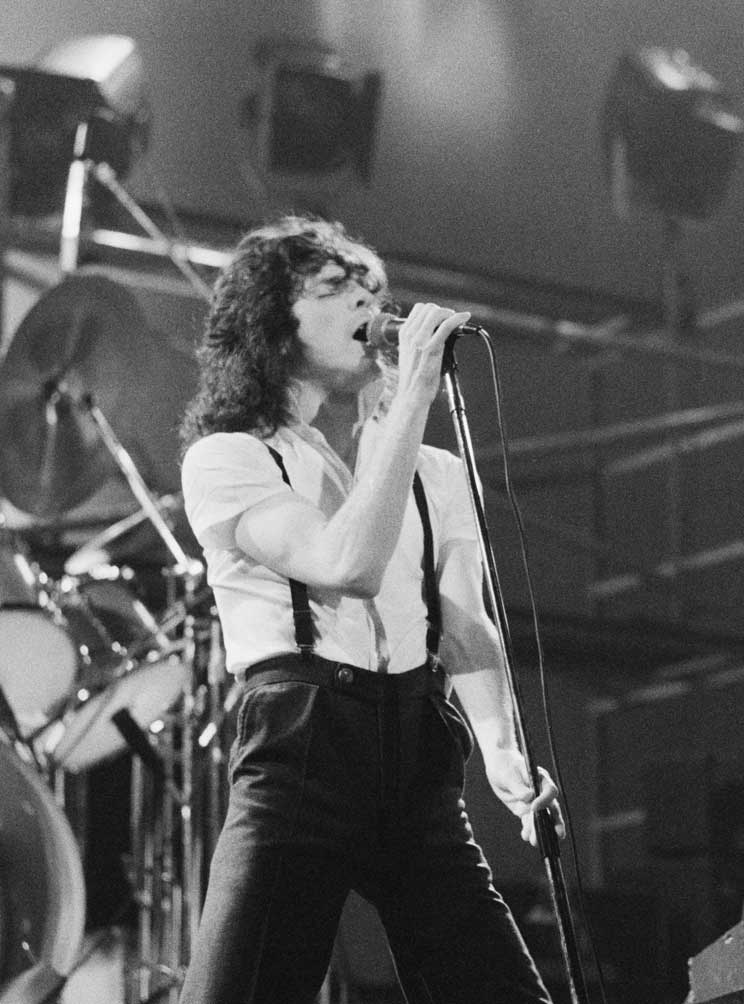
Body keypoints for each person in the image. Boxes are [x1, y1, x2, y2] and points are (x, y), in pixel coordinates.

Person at [176, 216, 560, 1004]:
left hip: (416, 749)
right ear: (273, 319)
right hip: (303, 744)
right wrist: (413, 393)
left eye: (373, 289)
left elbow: (463, 623)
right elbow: (344, 565)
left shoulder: (435, 473)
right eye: (337, 288)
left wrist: (502, 753)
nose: (369, 303)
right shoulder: (232, 458)